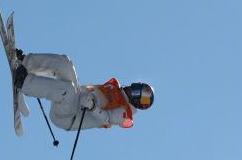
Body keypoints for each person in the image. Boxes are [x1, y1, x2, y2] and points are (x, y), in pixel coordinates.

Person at [13, 49, 154, 131]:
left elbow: (107, 119)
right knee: (66, 64)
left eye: (137, 94)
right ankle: (26, 62)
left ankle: (24, 82)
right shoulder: (116, 90)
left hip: (70, 117)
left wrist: (93, 107)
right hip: (76, 98)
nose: (133, 90)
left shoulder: (124, 112)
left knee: (67, 90)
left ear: (138, 103)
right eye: (137, 87)